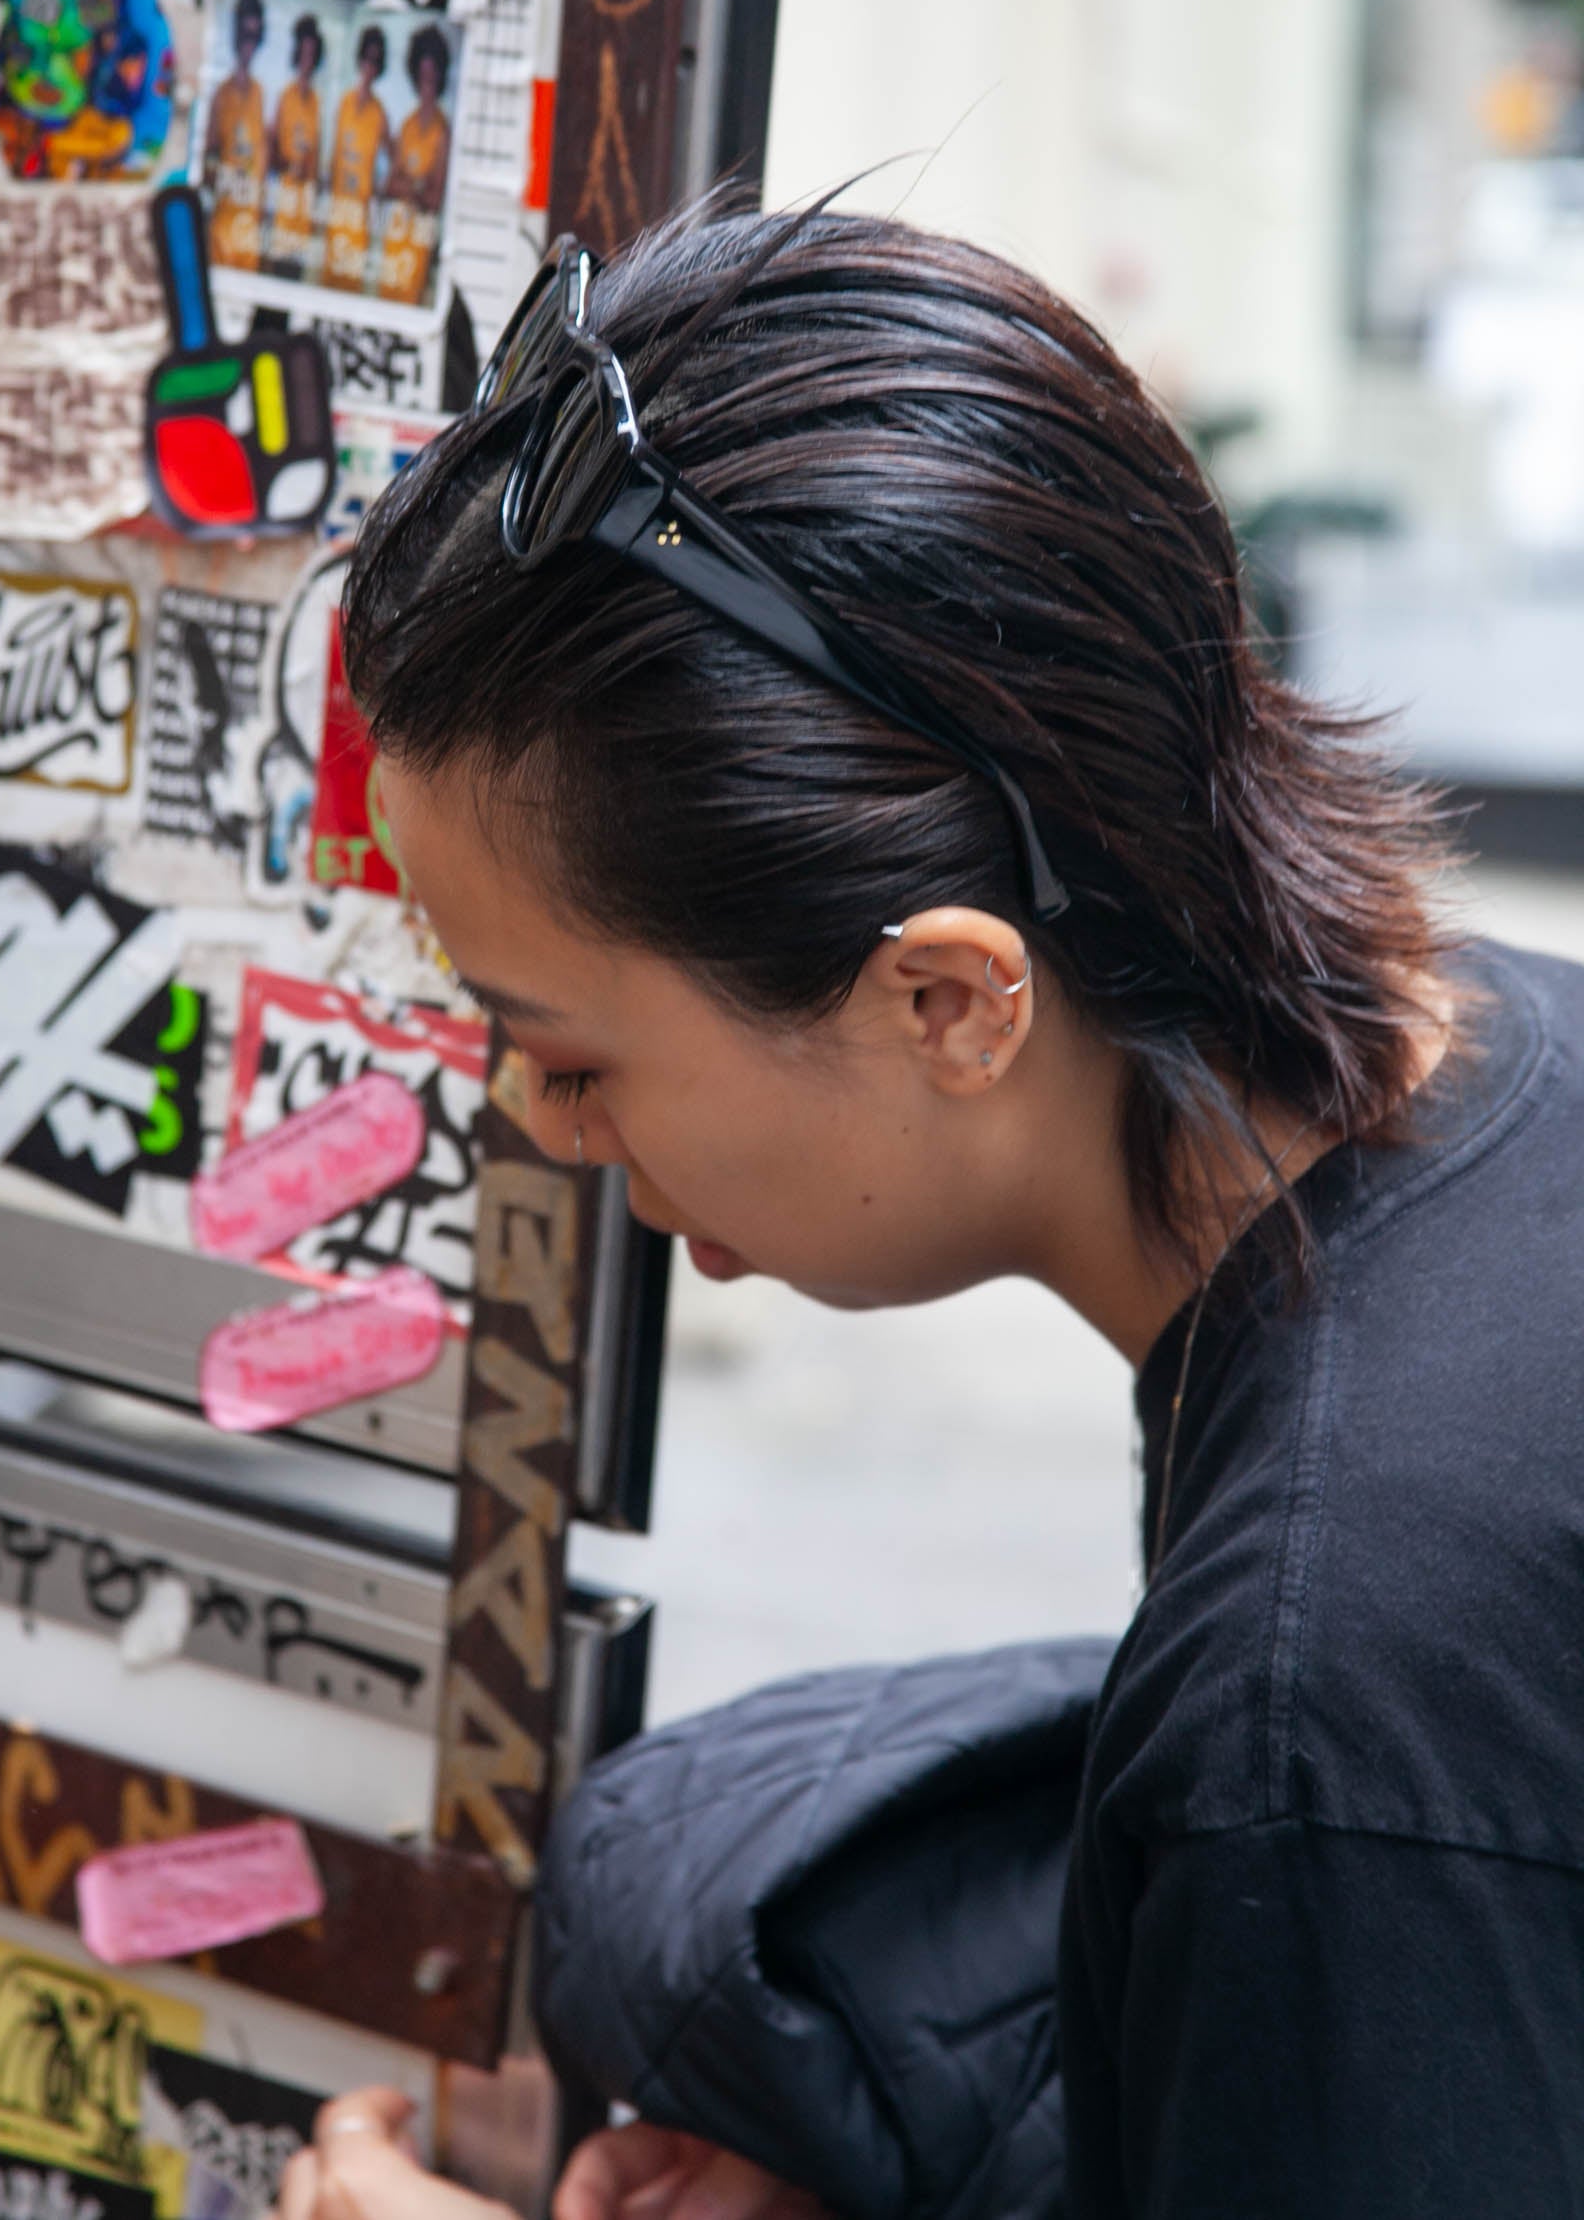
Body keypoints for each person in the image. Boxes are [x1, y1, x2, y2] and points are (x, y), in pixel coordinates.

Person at [274, 202, 1584, 2218]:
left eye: (573, 1052)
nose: (542, 1128)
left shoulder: (1315, 1706)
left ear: (952, 998)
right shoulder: (1493, 1045)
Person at [378, 22, 452, 307]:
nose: (426, 88)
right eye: (422, 79)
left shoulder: (442, 131)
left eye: (432, 80)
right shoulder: (407, 125)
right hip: (393, 240)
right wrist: (417, 186)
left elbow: (433, 200)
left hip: (418, 248)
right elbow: (388, 185)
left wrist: (407, 185)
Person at [324, 22, 391, 292]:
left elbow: (392, 160)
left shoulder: (380, 114)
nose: (369, 67)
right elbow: (332, 159)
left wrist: (381, 188)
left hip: (359, 221)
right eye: (366, 58)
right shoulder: (344, 103)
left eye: (375, 62)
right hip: (335, 214)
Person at [204, 0, 267, 271]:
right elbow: (207, 158)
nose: (248, 45)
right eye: (244, 35)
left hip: (250, 231)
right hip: (222, 227)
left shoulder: (261, 95)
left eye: (254, 37)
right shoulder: (221, 95)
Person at [266, 12, 324, 278]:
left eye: (312, 55)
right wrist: (288, 163)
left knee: (296, 273)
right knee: (278, 271)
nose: (307, 61)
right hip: (284, 206)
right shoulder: (284, 98)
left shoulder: (317, 104)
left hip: (305, 211)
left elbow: (317, 160)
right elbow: (272, 154)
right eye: (303, 54)